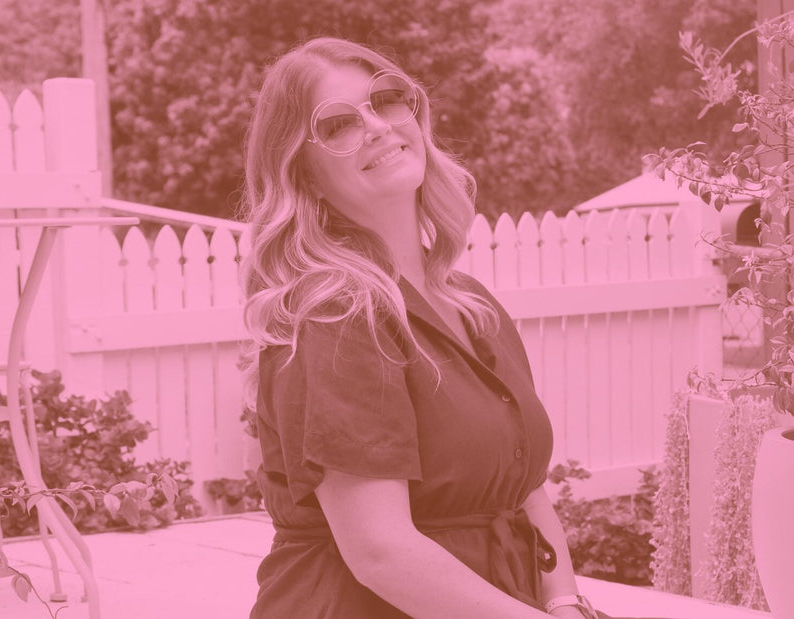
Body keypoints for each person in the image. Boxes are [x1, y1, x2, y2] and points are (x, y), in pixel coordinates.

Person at [238, 37, 604, 619]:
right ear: (303, 176)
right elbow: (381, 552)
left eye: (385, 100)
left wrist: (564, 602)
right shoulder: (335, 314)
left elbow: (523, 492)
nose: (377, 126)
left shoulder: (472, 306)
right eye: (336, 125)